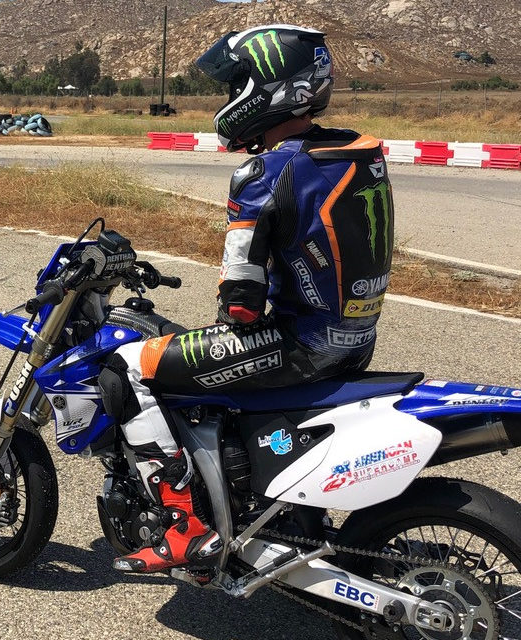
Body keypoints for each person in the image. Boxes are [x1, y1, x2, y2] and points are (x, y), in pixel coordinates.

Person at [99, 25, 394, 573]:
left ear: (272, 88)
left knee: (128, 367)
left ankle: (184, 527)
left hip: (297, 343)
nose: (228, 96)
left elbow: (240, 301)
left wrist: (222, 322)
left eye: (237, 82)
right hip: (355, 338)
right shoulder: (359, 150)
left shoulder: (265, 171)